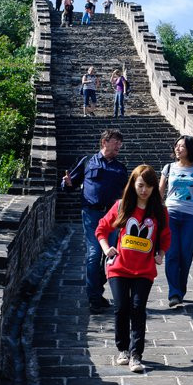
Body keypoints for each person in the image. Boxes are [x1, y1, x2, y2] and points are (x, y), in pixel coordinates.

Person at [96, 164, 171, 373]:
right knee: (121, 308)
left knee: (138, 309)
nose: (144, 190)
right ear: (133, 185)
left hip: (144, 270)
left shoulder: (160, 211)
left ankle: (136, 355)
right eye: (140, 185)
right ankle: (123, 349)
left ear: (154, 188)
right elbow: (101, 228)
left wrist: (161, 254)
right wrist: (106, 248)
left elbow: (166, 237)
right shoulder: (122, 206)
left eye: (148, 186)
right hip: (119, 268)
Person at [61, 129, 128, 314]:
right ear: (104, 142)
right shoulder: (88, 161)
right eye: (115, 143)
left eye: (120, 144)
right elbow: (70, 184)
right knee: (94, 253)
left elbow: (126, 194)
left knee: (111, 255)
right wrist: (66, 183)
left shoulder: (121, 168)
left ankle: (96, 290)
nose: (118, 147)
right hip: (91, 214)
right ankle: (94, 298)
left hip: (113, 217)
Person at [158, 136, 193, 308]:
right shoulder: (168, 168)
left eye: (182, 146)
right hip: (170, 214)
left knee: (186, 255)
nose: (178, 149)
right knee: (172, 253)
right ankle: (174, 292)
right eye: (177, 146)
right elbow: (160, 193)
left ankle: (181, 287)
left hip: (190, 216)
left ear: (190, 149)